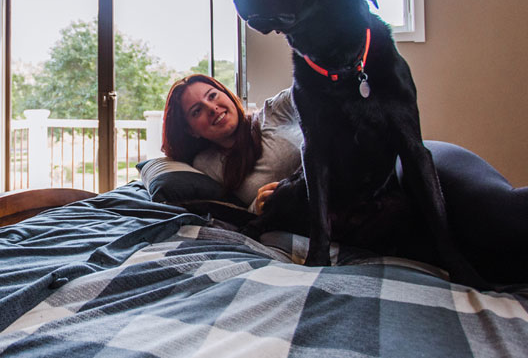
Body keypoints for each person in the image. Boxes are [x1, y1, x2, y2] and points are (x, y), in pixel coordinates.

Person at [161, 73, 528, 284]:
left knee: (502, 215)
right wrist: (256, 204)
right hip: (367, 217)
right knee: (496, 262)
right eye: (197, 110)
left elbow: (325, 84)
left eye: (214, 95)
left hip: (397, 167)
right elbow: (165, 176)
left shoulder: (276, 110)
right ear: (190, 129)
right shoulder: (209, 164)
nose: (213, 108)